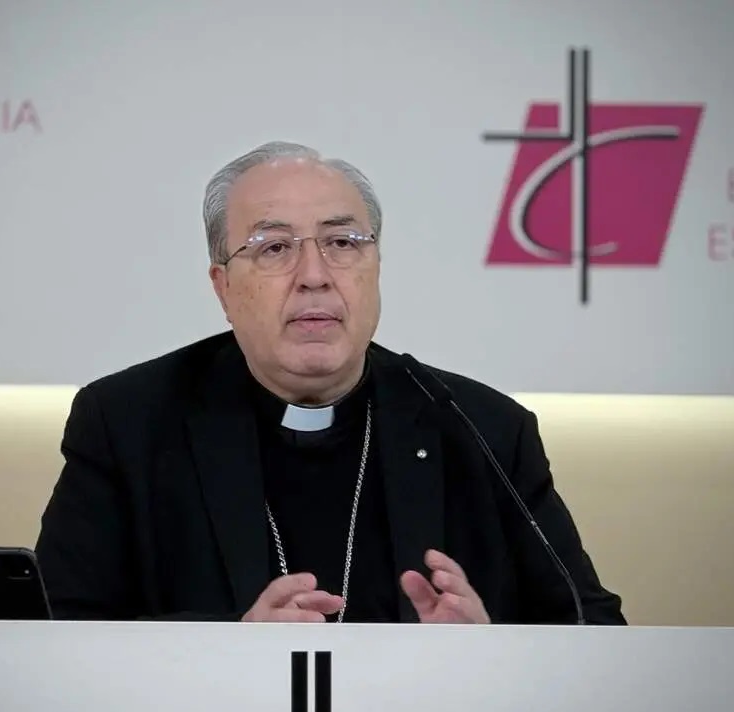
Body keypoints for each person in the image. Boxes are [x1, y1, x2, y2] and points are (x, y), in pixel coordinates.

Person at [34, 141, 625, 625]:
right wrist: (226, 650)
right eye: (274, 248)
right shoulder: (126, 422)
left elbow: (593, 628)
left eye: (342, 243)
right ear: (223, 287)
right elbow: (57, 630)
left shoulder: (480, 427)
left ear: (376, 268)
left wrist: (486, 652)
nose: (314, 275)